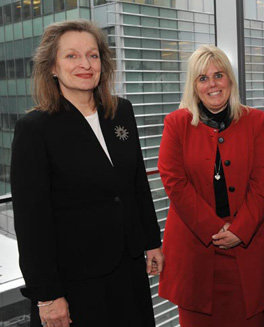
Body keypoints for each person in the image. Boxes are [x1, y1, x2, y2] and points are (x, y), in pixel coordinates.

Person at [10, 20, 163, 327]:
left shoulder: (122, 111)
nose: (85, 64)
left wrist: (151, 241)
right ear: (52, 67)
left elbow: (136, 185)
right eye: (72, 56)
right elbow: (31, 222)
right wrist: (47, 296)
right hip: (75, 280)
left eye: (92, 55)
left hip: (129, 267)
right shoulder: (35, 129)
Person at [157, 44, 264, 327]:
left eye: (219, 75)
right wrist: (214, 228)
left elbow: (262, 185)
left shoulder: (257, 121)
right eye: (203, 78)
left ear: (230, 80)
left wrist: (239, 230)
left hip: (246, 248)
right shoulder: (176, 123)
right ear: (194, 85)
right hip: (194, 253)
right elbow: (173, 182)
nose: (212, 84)